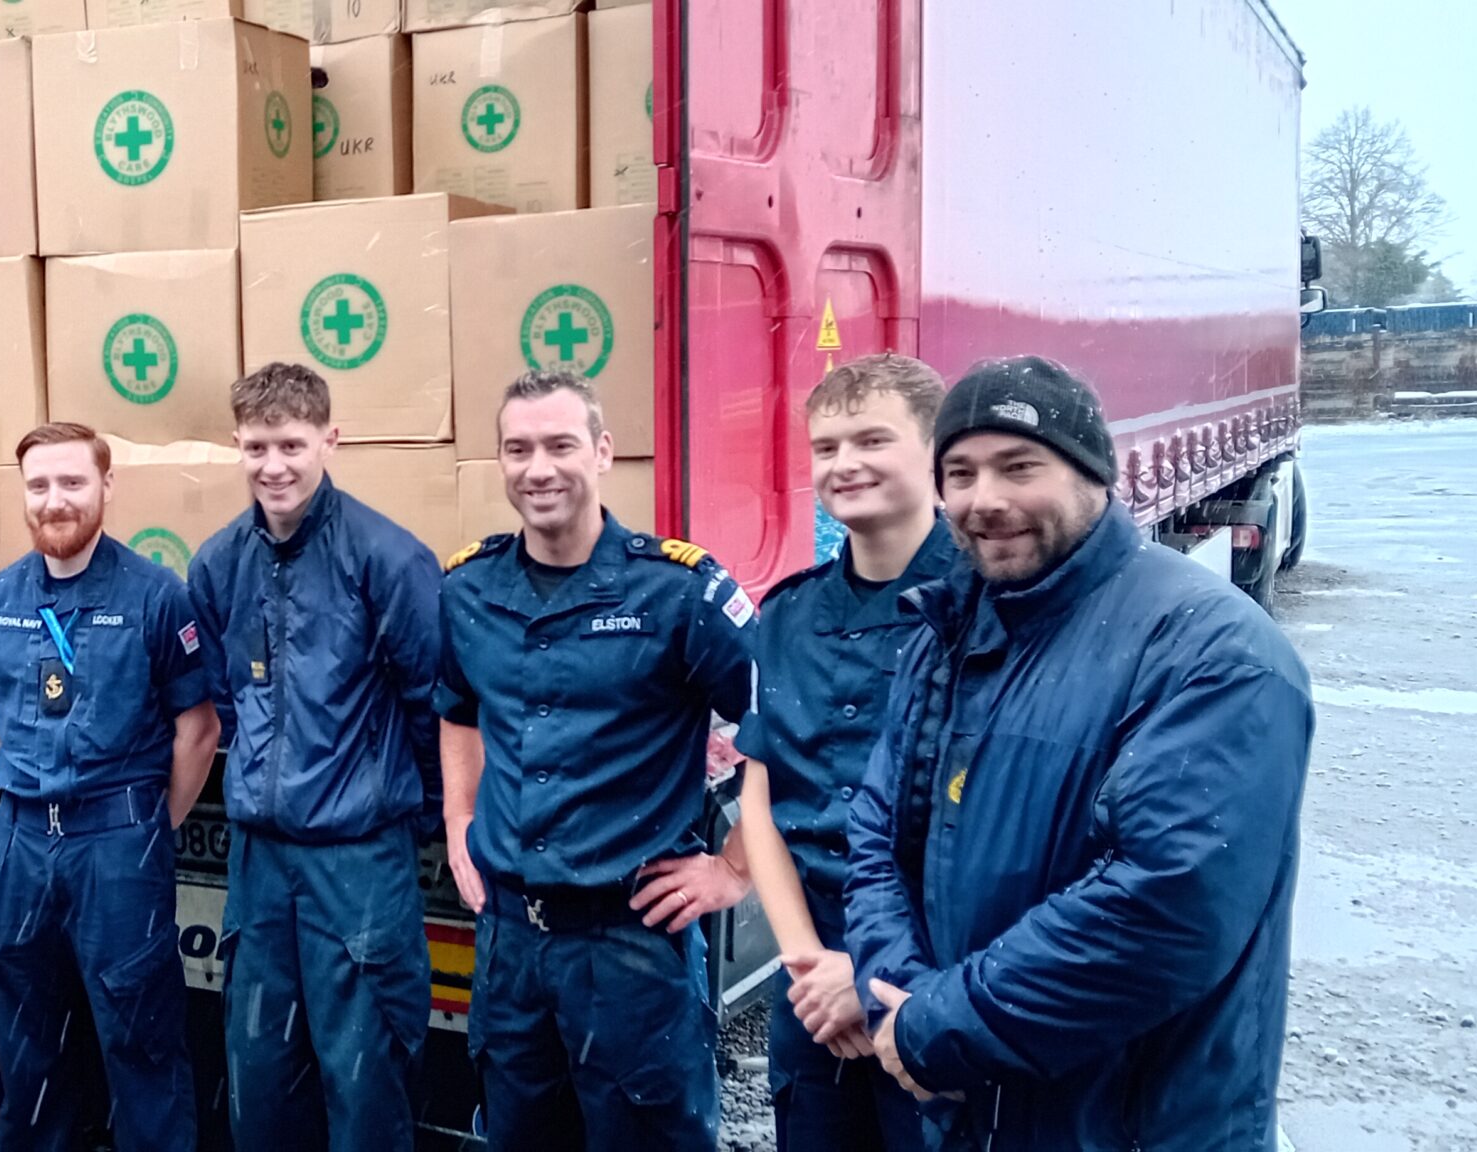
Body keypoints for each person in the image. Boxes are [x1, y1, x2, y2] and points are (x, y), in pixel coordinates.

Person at [844, 357, 1314, 1151]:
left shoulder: (1212, 650)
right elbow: (880, 834)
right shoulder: (948, 630)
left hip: (1134, 1128)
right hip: (972, 1111)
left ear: (1095, 474)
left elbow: (1170, 905)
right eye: (960, 473)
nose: (984, 499)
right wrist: (903, 1000)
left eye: (1019, 467)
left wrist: (941, 1026)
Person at [436, 371, 757, 1152]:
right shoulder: (468, 588)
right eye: (518, 450)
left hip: (631, 948)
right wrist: (459, 817)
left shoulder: (678, 592)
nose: (538, 468)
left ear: (603, 452)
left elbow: (783, 721)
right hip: (511, 948)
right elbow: (458, 708)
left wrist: (736, 868)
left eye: (560, 445)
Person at [184, 364, 437, 1151]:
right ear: (237, 444)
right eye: (257, 446)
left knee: (363, 1080)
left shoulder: (386, 559)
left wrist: (406, 815)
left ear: (330, 439)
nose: (274, 466)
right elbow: (227, 699)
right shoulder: (218, 563)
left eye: (292, 445)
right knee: (259, 1075)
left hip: (357, 862)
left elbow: (434, 705)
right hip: (260, 862)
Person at [0, 423, 220, 1151]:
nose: (56, 500)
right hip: (19, 840)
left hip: (117, 843)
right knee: (23, 1040)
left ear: (107, 486)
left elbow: (198, 730)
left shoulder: (156, 597)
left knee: (141, 1038)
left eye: (73, 482)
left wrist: (147, 826)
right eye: (39, 485)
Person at [730, 355, 954, 1151]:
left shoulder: (985, 608)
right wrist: (807, 966)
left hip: (940, 978)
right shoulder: (788, 615)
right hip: (814, 990)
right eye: (826, 447)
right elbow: (761, 800)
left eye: (872, 440)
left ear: (935, 453)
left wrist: (871, 977)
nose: (844, 463)